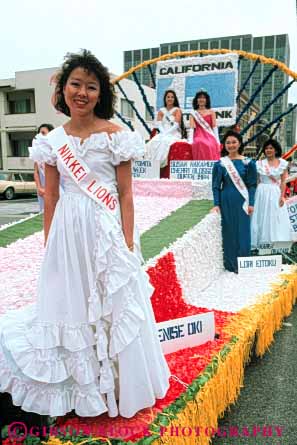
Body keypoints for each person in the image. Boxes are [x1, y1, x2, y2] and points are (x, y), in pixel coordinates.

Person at [0, 50, 170, 418]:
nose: (82, 92)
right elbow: (52, 196)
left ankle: (122, 387)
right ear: (63, 90)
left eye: (91, 87)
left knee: (114, 304)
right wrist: (50, 244)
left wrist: (127, 242)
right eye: (75, 84)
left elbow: (125, 193)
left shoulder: (115, 136)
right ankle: (81, 390)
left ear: (99, 94)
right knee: (72, 304)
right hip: (67, 232)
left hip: (106, 229)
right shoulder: (52, 141)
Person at [212, 130, 257, 273]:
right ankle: (230, 265)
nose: (231, 145)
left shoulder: (249, 163)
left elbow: (252, 185)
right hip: (226, 200)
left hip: (242, 202)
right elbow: (215, 186)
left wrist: (251, 203)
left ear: (239, 143)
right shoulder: (220, 164)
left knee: (243, 231)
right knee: (229, 231)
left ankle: (244, 264)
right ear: (224, 145)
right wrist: (216, 204)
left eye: (234, 142)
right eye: (228, 142)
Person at [251, 139, 292, 247]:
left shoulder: (282, 163)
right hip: (261, 192)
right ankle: (260, 243)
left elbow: (283, 181)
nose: (268, 150)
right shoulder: (259, 164)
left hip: (275, 192)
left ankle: (276, 242)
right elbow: (257, 180)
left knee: (275, 216)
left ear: (275, 150)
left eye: (271, 148)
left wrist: (282, 196)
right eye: (266, 148)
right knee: (261, 215)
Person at [145, 90, 183, 167]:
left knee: (165, 142)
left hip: (173, 133)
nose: (170, 99)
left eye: (172, 97)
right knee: (153, 142)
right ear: (165, 98)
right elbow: (159, 124)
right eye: (168, 97)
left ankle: (160, 163)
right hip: (163, 132)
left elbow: (176, 125)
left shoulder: (177, 110)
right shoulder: (161, 111)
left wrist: (167, 133)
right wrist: (163, 133)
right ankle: (151, 164)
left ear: (174, 99)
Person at [188, 90, 220, 160]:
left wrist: (218, 141)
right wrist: (190, 141)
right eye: (199, 98)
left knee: (210, 144)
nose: (201, 99)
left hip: (210, 135)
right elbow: (191, 128)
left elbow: (214, 126)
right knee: (199, 142)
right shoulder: (193, 113)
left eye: (203, 98)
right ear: (196, 100)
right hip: (198, 134)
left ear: (206, 100)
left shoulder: (211, 112)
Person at [33, 124, 54, 212]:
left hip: (57, 189)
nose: (41, 136)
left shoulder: (56, 150)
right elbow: (36, 172)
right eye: (39, 133)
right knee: (45, 213)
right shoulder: (37, 152)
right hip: (43, 189)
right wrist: (39, 188)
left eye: (43, 133)